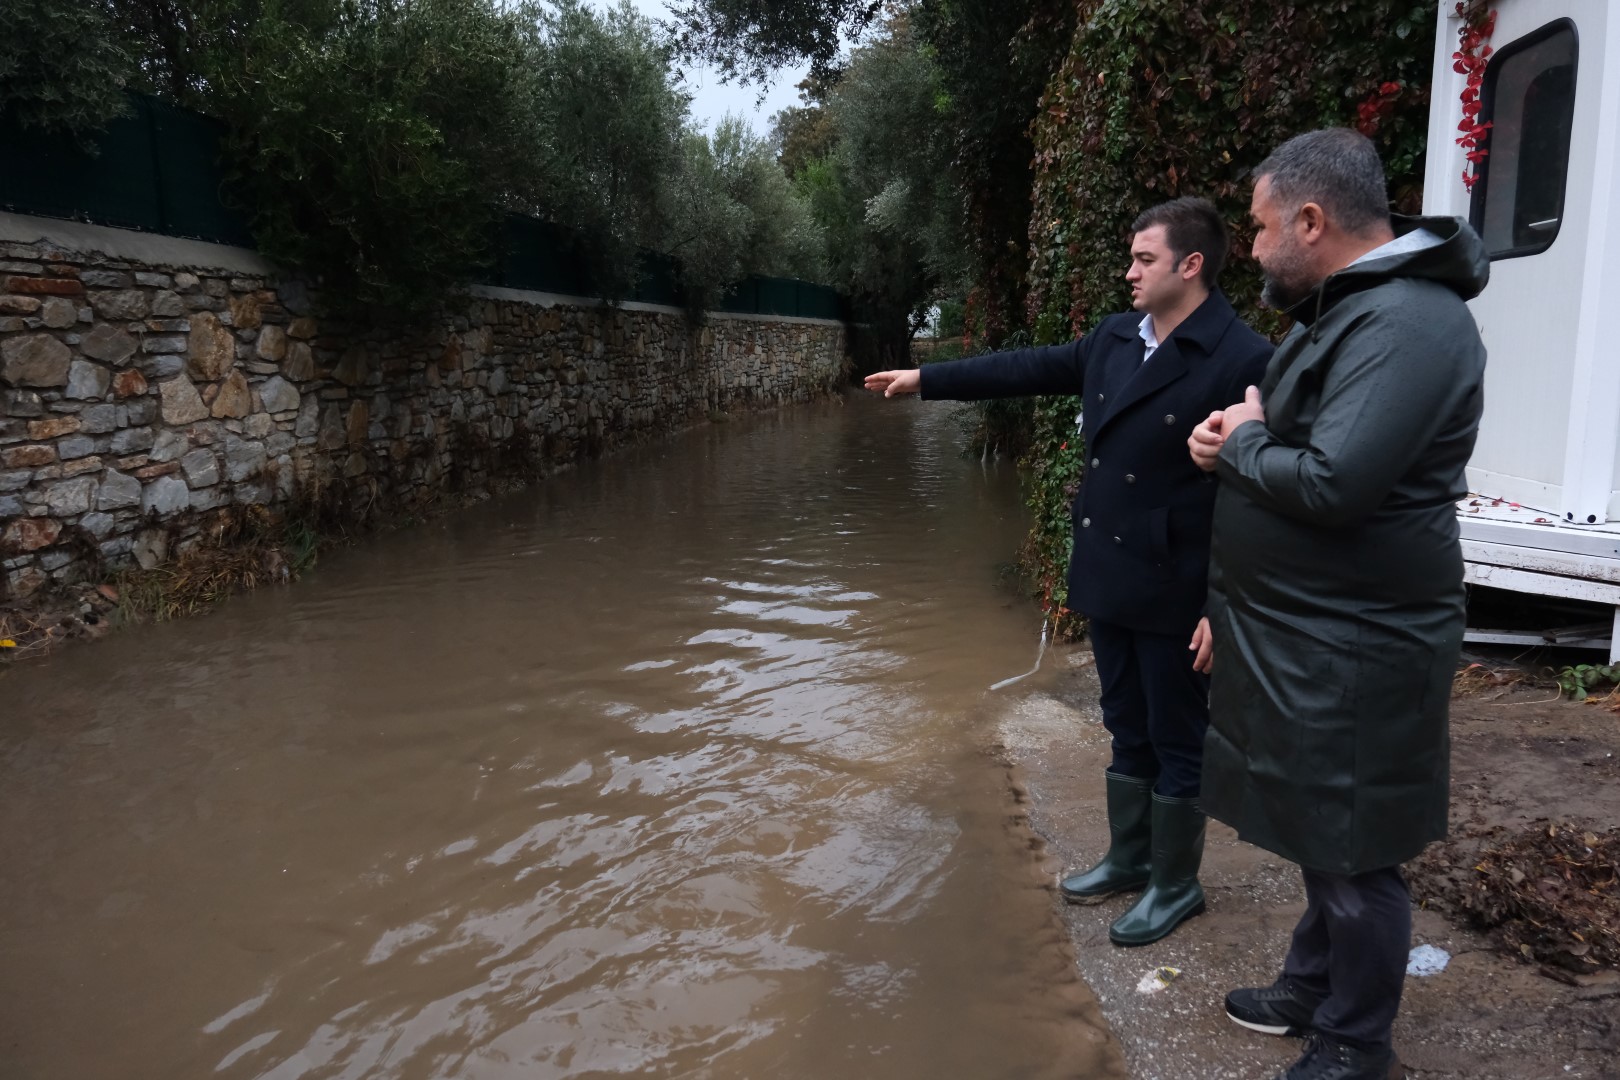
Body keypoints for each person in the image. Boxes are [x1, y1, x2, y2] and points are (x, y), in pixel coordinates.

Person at [866, 196, 1271, 946]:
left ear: (1191, 266)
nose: (1130, 272)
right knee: (1125, 725)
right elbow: (1026, 368)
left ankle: (1175, 885)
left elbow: (1259, 501)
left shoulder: (1244, 358)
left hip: (1181, 585)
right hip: (1112, 571)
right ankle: (1128, 857)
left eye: (1144, 259)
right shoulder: (1117, 337)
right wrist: (926, 378)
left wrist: (1229, 603)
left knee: (1178, 738)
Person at [1188, 129, 1488, 1080]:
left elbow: (1335, 483)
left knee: (1355, 853)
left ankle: (1357, 1042)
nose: (1258, 246)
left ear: (1311, 222)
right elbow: (1307, 442)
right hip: (1311, 630)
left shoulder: (1406, 322)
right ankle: (1311, 986)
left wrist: (1238, 444)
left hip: (1360, 641)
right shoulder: (1350, 311)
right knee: (1323, 831)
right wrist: (1253, 429)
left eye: (1263, 226)